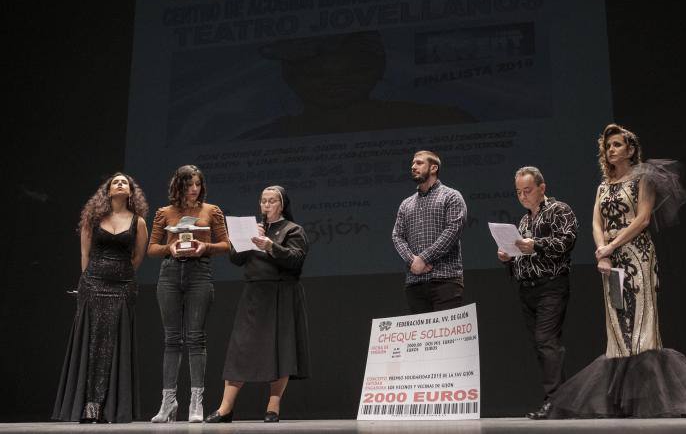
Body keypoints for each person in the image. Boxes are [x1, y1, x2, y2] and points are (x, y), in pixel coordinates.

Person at [547, 124, 686, 418]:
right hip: (611, 260)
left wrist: (611, 247)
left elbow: (641, 220)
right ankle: (621, 402)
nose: (611, 150)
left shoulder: (643, 179)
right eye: (608, 146)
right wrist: (602, 252)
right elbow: (596, 223)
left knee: (640, 325)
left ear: (630, 149)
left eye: (616, 145)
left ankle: (654, 400)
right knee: (617, 325)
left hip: (636, 255)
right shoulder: (603, 186)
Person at [236, 31, 476, 140]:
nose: (335, 80)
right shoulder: (259, 141)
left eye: (352, 68)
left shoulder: (443, 122)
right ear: (290, 75)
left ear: (378, 67)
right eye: (316, 72)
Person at [205, 185, 310, 423]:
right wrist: (241, 240)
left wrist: (270, 246)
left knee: (279, 351)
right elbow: (236, 259)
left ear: (282, 205)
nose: (266, 205)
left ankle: (273, 407)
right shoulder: (255, 229)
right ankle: (225, 409)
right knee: (239, 351)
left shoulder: (293, 230)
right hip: (254, 293)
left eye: (271, 201)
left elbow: (297, 260)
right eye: (263, 201)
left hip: (281, 293)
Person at [53, 172, 149, 423]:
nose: (119, 184)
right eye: (115, 182)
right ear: (107, 191)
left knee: (114, 344)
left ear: (131, 192)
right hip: (93, 284)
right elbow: (85, 254)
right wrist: (86, 282)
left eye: (124, 182)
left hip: (123, 287)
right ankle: (88, 407)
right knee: (93, 343)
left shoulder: (138, 221)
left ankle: (108, 408)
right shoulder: (93, 218)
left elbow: (138, 256)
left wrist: (121, 275)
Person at [148, 165, 230, 423]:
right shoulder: (164, 213)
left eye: (198, 184)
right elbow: (152, 248)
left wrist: (204, 246)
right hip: (170, 273)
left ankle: (197, 401)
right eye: (189, 184)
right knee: (172, 339)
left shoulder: (211, 210)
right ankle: (168, 402)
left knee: (196, 338)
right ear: (179, 186)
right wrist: (170, 249)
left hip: (199, 272)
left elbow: (226, 244)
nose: (194, 189)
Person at [496, 166, 577, 420]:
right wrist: (508, 257)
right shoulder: (523, 220)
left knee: (546, 342)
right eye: (519, 192)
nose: (523, 196)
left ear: (542, 188)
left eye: (527, 190)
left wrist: (536, 244)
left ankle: (554, 402)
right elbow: (525, 255)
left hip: (550, 285)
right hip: (528, 289)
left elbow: (567, 241)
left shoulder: (559, 210)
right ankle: (560, 403)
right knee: (542, 346)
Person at [392, 150, 467, 313]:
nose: (413, 166)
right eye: (412, 163)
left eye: (419, 163)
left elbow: (453, 230)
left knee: (447, 337)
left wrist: (424, 258)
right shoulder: (406, 204)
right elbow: (397, 236)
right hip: (415, 283)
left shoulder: (451, 196)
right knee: (421, 338)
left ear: (433, 168)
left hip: (445, 280)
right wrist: (412, 261)